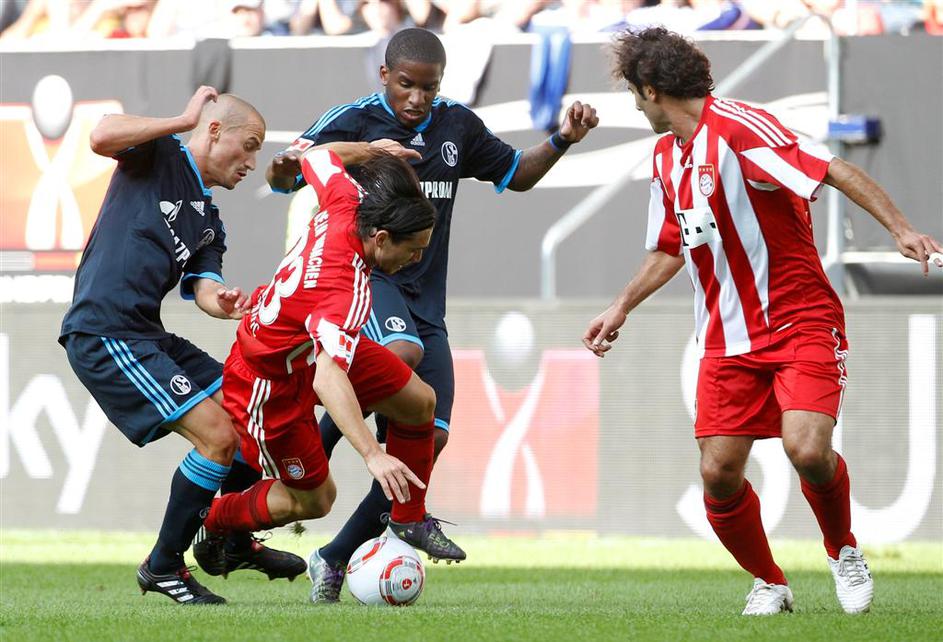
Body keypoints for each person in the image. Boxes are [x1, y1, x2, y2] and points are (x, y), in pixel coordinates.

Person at [584, 27, 943, 616]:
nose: (635, 106)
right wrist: (621, 306)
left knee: (807, 448)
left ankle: (843, 550)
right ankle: (769, 582)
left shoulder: (742, 129)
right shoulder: (665, 158)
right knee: (718, 471)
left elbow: (832, 169)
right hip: (726, 338)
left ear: (650, 89)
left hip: (800, 319)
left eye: (633, 94)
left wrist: (901, 230)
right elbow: (672, 246)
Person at [259, 26, 598, 603]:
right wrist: (343, 156)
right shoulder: (354, 120)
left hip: (427, 300)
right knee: (403, 353)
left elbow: (516, 173)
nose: (417, 98)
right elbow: (284, 174)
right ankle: (317, 445)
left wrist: (563, 138)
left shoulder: (456, 125)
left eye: (429, 88)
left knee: (428, 440)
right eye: (406, 85)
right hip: (367, 281)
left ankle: (332, 557)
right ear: (384, 76)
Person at [59, 87, 306, 605]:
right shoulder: (160, 152)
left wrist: (225, 301)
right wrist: (183, 118)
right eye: (249, 146)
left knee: (249, 414)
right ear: (213, 131)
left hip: (146, 333)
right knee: (216, 436)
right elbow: (100, 134)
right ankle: (164, 566)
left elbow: (204, 289)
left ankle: (228, 540)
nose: (252, 163)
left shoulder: (209, 221)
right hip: (106, 331)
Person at [193, 144, 467, 590]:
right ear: (381, 239)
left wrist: (369, 151)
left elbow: (316, 156)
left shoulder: (347, 199)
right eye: (413, 250)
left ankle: (408, 519)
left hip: (306, 343)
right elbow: (328, 376)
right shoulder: (344, 289)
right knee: (315, 500)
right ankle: (212, 518)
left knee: (419, 401)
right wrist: (373, 454)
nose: (416, 259)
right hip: (271, 378)